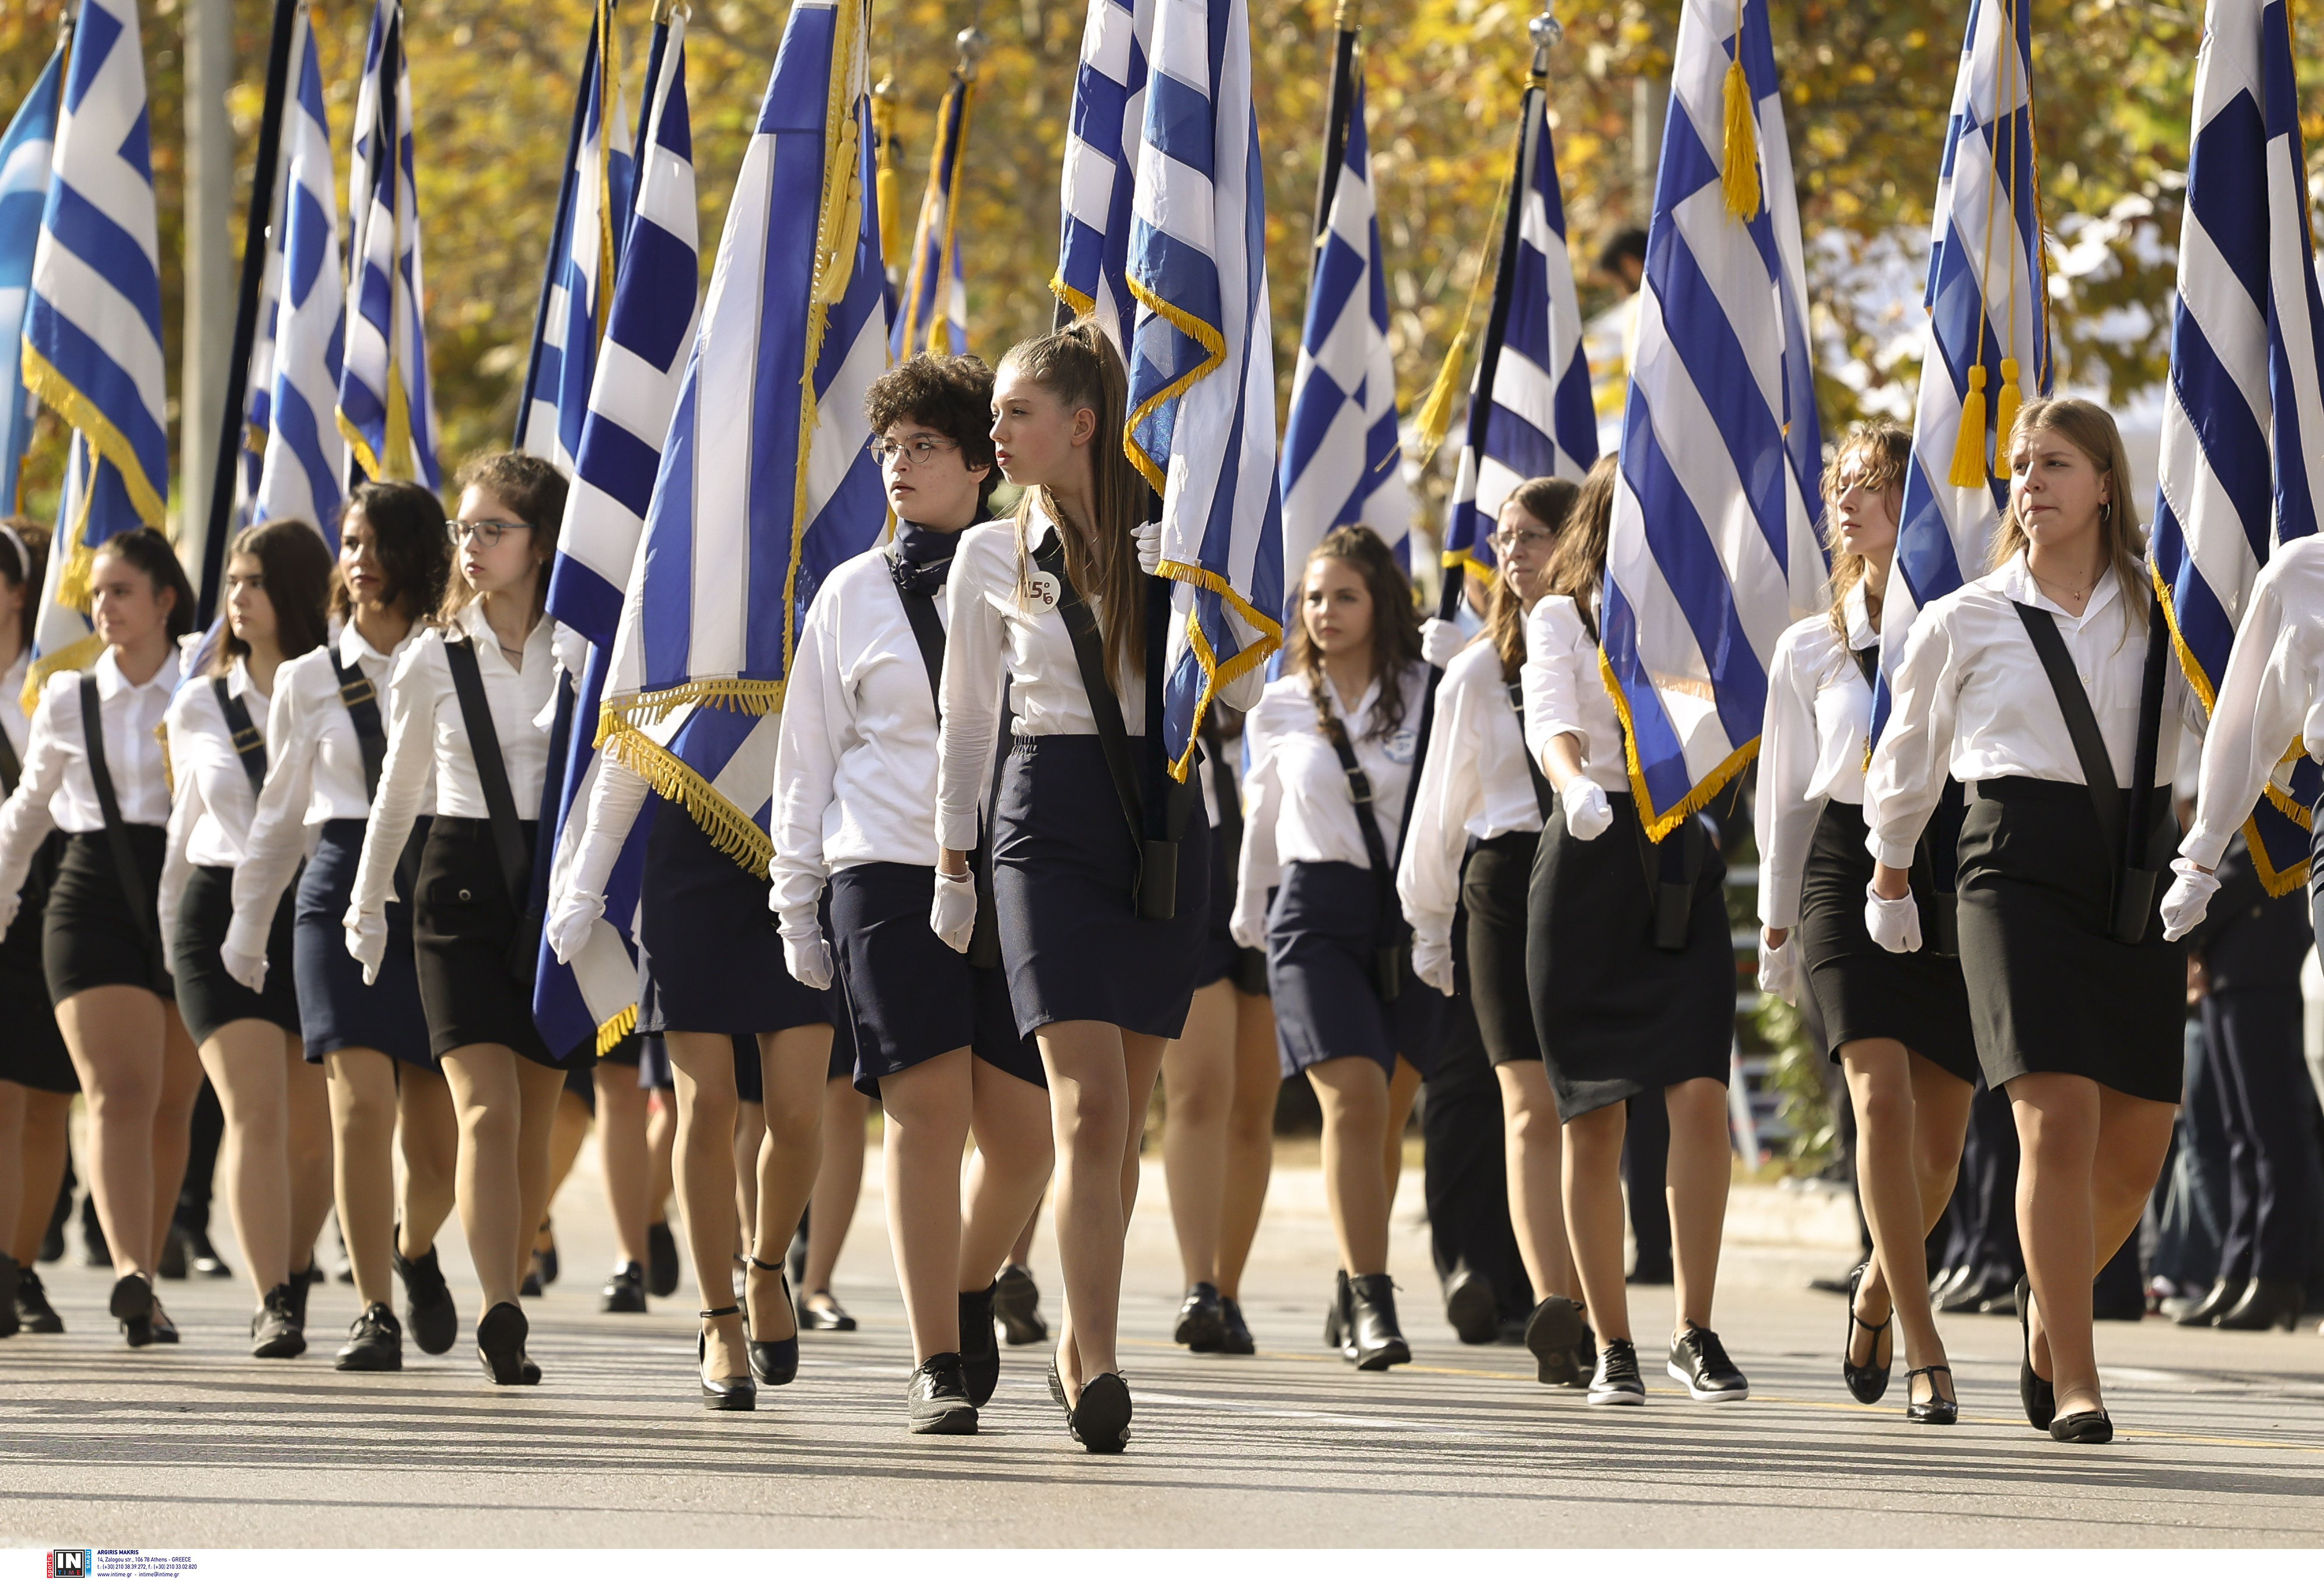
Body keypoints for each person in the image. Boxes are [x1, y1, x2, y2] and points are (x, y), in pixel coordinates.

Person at [932, 319, 1255, 1452]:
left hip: (1161, 821)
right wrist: (953, 860)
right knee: (1089, 1106)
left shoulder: (1175, 541)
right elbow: (970, 721)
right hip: (1046, 817)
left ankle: (1061, 1335)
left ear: (1081, 423)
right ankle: (1098, 1356)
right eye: (994, 415)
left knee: (1123, 1116)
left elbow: (1237, 705)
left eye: (1016, 413)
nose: (996, 433)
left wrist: (1202, 596)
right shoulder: (992, 553)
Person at [1866, 397, 2196, 1444]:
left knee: (2137, 1151)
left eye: (2055, 463)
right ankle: (2081, 1379)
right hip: (2012, 870)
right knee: (2056, 1120)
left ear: (2105, 483)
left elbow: (2222, 725)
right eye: (2020, 465)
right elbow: (1908, 756)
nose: (2031, 482)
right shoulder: (1966, 616)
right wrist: (1888, 874)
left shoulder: (2170, 609)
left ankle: (2043, 1305)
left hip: (2136, 872)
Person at [770, 352, 1056, 1432]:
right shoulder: (850, 592)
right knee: (929, 1113)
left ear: (983, 462)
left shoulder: (1036, 573)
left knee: (1027, 1137)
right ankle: (935, 1356)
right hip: (885, 872)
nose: (899, 464)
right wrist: (795, 898)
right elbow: (807, 757)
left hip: (1010, 870)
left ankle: (970, 1284)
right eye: (889, 447)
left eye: (925, 446)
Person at [1754, 423, 1977, 1424]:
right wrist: (1775, 926)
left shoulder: (1967, 623)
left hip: (1945, 865)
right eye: (1841, 485)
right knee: (1880, 1103)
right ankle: (1926, 1348)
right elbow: (1784, 801)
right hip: (1846, 870)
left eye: (1874, 484)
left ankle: (1879, 1288)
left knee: (1941, 1147)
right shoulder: (1810, 645)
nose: (1848, 502)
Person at [348, 452, 583, 1386]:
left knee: (534, 1125)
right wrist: (367, 902)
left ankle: (451, 1265)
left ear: (542, 543)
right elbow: (396, 794)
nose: (472, 545)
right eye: (465, 528)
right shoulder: (432, 657)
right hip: (455, 891)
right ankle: (502, 1310)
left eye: (495, 529)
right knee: (486, 1110)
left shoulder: (585, 649)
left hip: (555, 895)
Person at [1520, 456, 1748, 1408]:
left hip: (1679, 859)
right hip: (1588, 856)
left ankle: (1694, 1328)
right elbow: (1552, 718)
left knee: (1700, 1093)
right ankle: (1612, 1340)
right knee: (1594, 1114)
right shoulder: (1560, 617)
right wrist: (1575, 784)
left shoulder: (1700, 618)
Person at [228, 482, 461, 1371]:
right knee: (360, 1109)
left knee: (440, 1150)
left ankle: (411, 1247)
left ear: (417, 555)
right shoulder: (308, 677)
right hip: (334, 891)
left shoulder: (458, 658)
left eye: (376, 543)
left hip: (435, 890)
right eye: (351, 542)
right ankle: (373, 1309)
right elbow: (279, 817)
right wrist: (247, 928)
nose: (358, 559)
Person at [1234, 526, 1442, 1371]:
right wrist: (1249, 909)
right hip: (1313, 914)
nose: (1324, 611)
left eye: (1344, 595)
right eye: (1314, 597)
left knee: (1386, 1114)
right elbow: (1262, 811)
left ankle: (1354, 1277)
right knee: (1354, 1098)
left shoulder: (1431, 690)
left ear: (1382, 603)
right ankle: (1374, 1299)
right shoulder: (1280, 701)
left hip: (1411, 915)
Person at [1400, 478, 1590, 1385]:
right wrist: (1430, 921)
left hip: (1591, 877)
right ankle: (1558, 1305)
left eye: (1533, 536)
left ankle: (1595, 1299)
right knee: (1527, 1102)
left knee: (1591, 1106)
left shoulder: (1606, 650)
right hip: (1506, 878)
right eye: (1504, 538)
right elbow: (1441, 808)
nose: (1512, 553)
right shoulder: (1478, 671)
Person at [0, 528, 201, 1347]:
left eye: (121, 590)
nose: (103, 606)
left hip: (189, 893)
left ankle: (144, 1281)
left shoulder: (204, 687)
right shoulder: (66, 697)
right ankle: (130, 1271)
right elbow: (27, 814)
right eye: (96, 592)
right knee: (119, 1090)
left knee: (171, 1105)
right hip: (90, 899)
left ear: (165, 599)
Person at [160, 519, 336, 1356]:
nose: (237, 597)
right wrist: (167, 927)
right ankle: (271, 1299)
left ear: (296, 591)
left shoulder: (336, 689)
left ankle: (293, 1277)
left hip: (310, 913)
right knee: (255, 1109)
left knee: (317, 1132)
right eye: (232, 581)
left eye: (256, 581)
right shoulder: (199, 700)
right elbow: (190, 819)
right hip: (218, 913)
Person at [2162, 528, 2324, 1330]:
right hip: (2231, 950)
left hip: (2257, 938)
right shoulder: (2301, 575)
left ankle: (2277, 1271)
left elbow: (2260, 838)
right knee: (2240, 1127)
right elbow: (2242, 767)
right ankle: (2249, 1267)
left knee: (2268, 1123)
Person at [1160, 706, 1278, 1356]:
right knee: (1200, 1092)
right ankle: (1198, 1285)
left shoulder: (1280, 684)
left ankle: (1228, 1292)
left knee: (1254, 1108)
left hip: (1271, 885)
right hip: (1193, 883)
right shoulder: (1181, 680)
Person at [0, 522, 74, 1340]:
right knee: (4, 1097)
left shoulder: (54, 681)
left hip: (50, 898)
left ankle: (22, 1268)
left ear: (21, 592)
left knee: (48, 1101)